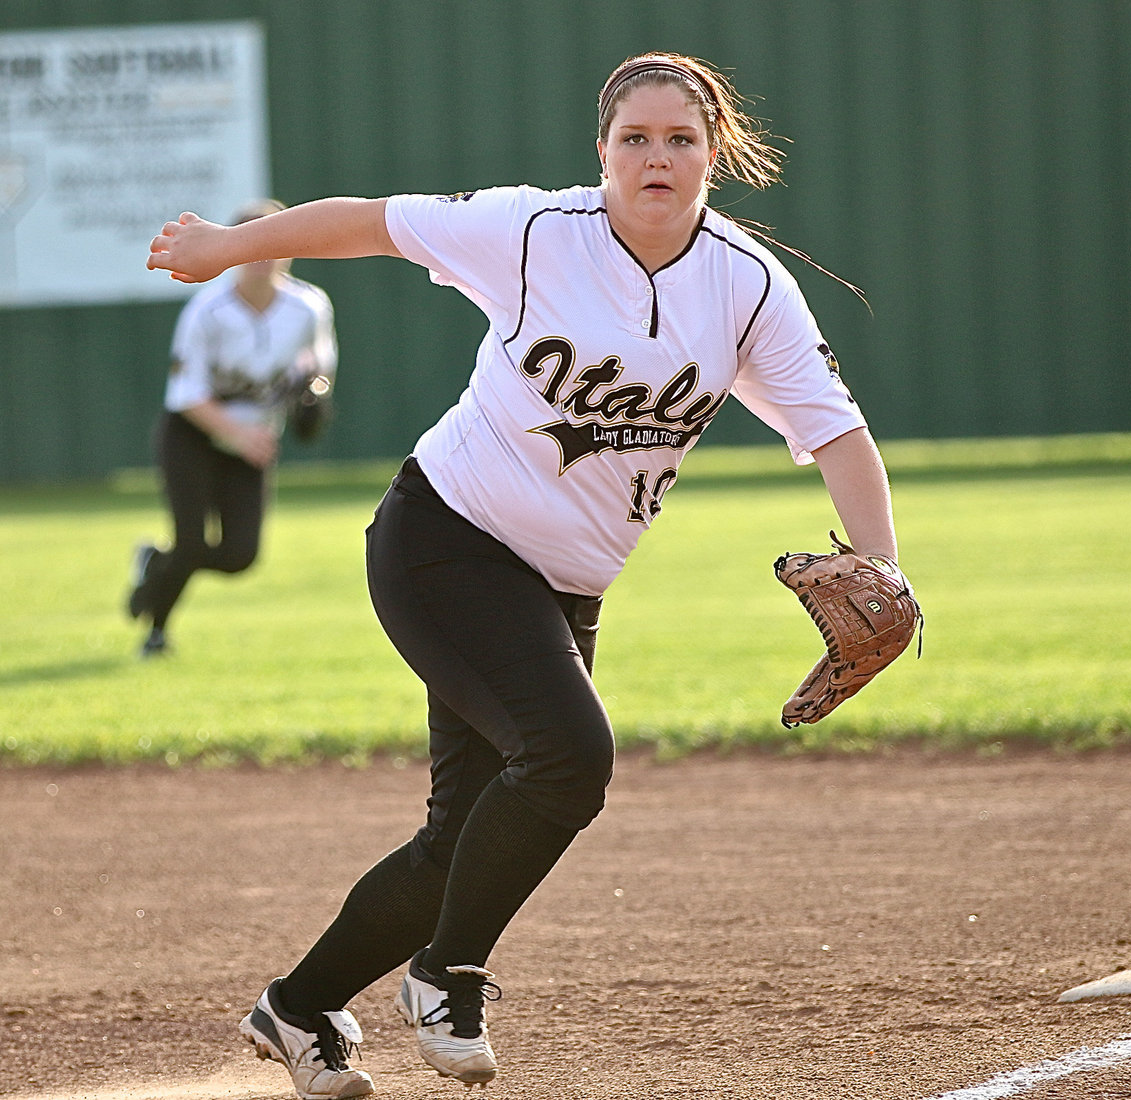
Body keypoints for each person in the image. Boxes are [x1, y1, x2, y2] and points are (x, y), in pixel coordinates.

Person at [146, 52, 901, 1100]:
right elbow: (368, 221)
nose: (656, 157)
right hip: (442, 538)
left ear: (714, 155)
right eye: (634, 137)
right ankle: (446, 974)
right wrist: (232, 244)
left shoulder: (746, 284)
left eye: (680, 139)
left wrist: (888, 574)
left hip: (562, 583)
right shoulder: (537, 231)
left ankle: (299, 1003)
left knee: (461, 838)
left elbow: (836, 430)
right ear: (601, 152)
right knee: (568, 755)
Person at [128, 199, 338, 659]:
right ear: (232, 252)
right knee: (190, 542)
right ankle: (157, 632)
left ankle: (153, 562)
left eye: (273, 245)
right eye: (250, 247)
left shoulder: (308, 307)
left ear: (290, 250)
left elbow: (318, 370)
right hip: (194, 435)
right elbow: (185, 395)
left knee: (240, 556)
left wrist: (313, 394)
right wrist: (238, 434)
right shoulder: (208, 310)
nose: (262, 258)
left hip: (253, 440)